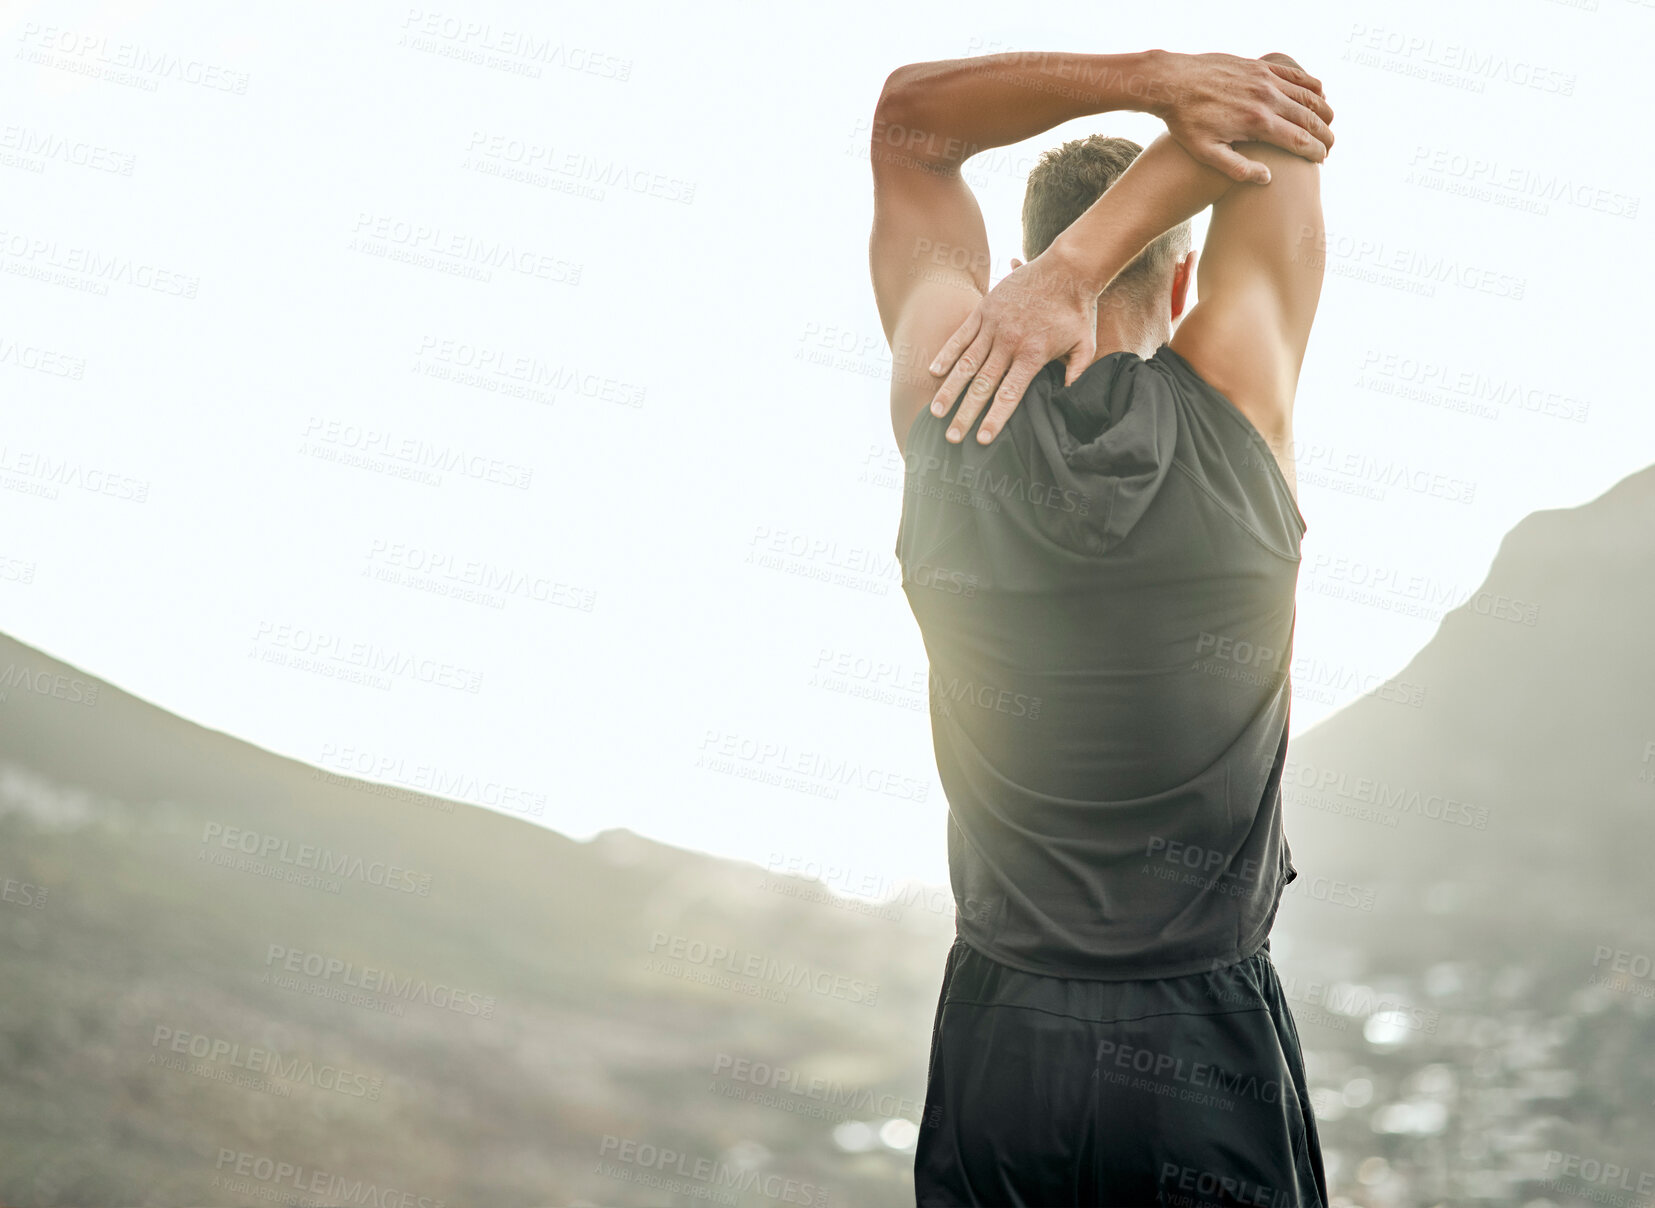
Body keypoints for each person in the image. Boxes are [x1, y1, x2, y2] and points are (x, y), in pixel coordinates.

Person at [866, 47, 1333, 1206]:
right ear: (1180, 285)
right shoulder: (1241, 402)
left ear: (1009, 269)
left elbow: (907, 127)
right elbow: (1282, 117)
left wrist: (1141, 81)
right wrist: (1091, 260)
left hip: (1003, 1039)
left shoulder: (943, 398)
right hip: (1203, 1041)